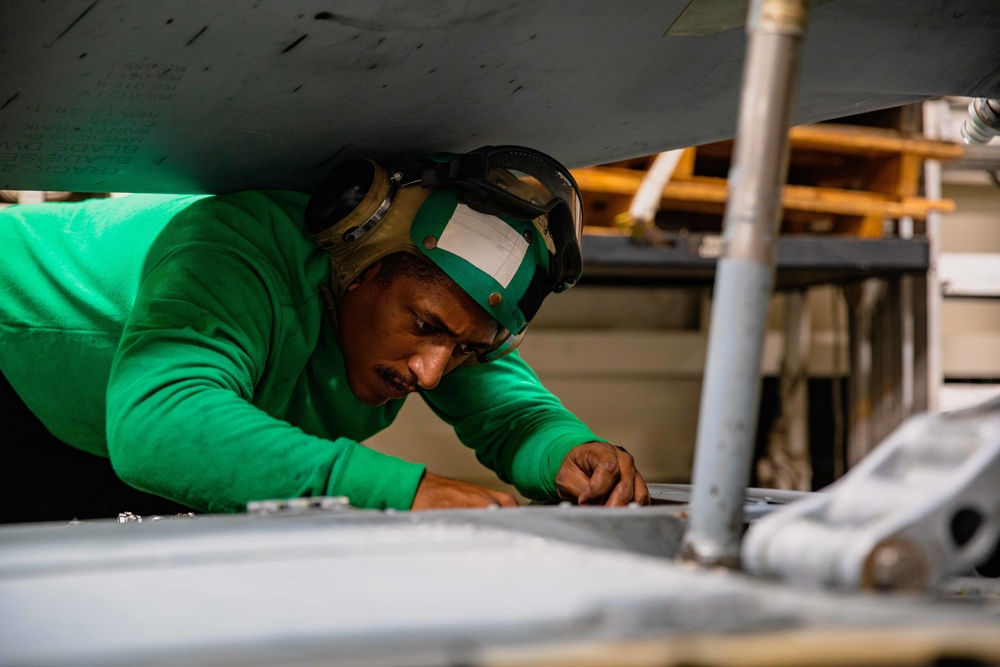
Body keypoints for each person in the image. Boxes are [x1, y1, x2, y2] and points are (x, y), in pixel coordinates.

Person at [0, 145, 649, 523]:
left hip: (108, 420)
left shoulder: (443, 316)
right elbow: (160, 424)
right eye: (424, 326)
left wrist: (566, 449)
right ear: (356, 263)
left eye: (465, 348)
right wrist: (399, 491)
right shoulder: (237, 247)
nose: (430, 371)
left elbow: (511, 413)